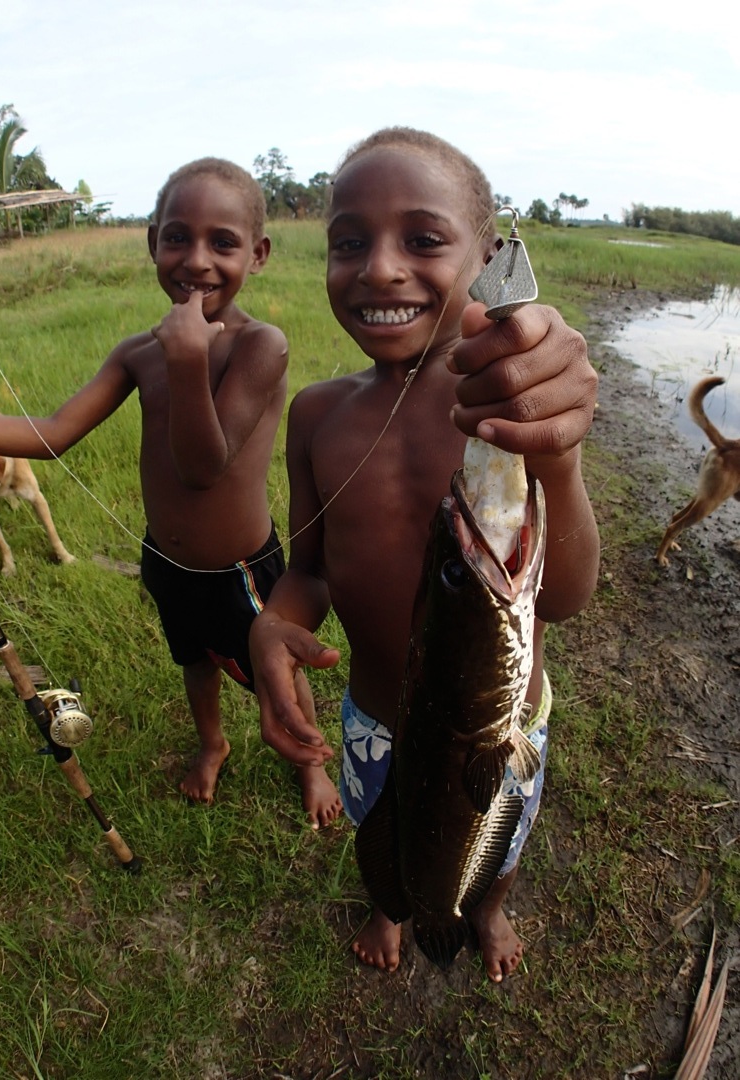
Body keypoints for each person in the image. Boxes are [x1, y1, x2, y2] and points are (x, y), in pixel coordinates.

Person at [249, 128, 600, 978]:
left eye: (423, 238)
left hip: (499, 725)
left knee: (497, 834)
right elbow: (310, 571)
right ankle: (390, 908)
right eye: (349, 242)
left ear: (487, 254)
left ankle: (491, 909)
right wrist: (272, 627)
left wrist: (554, 451)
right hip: (375, 717)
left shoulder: (511, 400)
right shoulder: (317, 416)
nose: (378, 267)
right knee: (390, 830)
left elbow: (560, 599)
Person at [0, 157, 342, 829]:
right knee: (193, 659)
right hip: (167, 560)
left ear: (258, 254)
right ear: (153, 242)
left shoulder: (260, 346)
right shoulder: (135, 352)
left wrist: (186, 359)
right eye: (177, 237)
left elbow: (205, 465)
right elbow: (55, 432)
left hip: (240, 567)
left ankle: (311, 760)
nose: (197, 259)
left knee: (279, 669)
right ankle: (212, 742)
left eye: (224, 242)